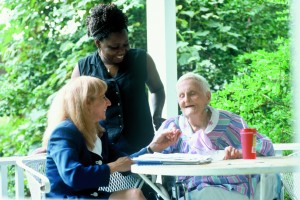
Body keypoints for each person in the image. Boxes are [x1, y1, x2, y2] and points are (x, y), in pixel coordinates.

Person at [42, 76, 180, 199]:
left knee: (135, 194)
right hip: (68, 197)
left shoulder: (98, 131)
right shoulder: (64, 132)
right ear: (86, 103)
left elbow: (124, 161)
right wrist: (114, 167)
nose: (108, 103)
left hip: (90, 197)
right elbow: (73, 176)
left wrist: (153, 147)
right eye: (103, 97)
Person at [157, 72, 281, 200]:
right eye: (181, 96)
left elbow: (265, 146)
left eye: (192, 93)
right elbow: (154, 157)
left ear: (208, 97)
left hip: (232, 188)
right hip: (191, 190)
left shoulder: (230, 122)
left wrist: (239, 153)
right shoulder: (172, 127)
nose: (186, 99)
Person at [71, 3, 165, 154]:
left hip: (142, 144)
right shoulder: (83, 69)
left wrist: (157, 115)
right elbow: (73, 109)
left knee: (145, 179)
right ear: (98, 43)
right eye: (114, 47)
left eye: (126, 44)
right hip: (100, 148)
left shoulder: (142, 60)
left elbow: (158, 89)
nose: (122, 51)